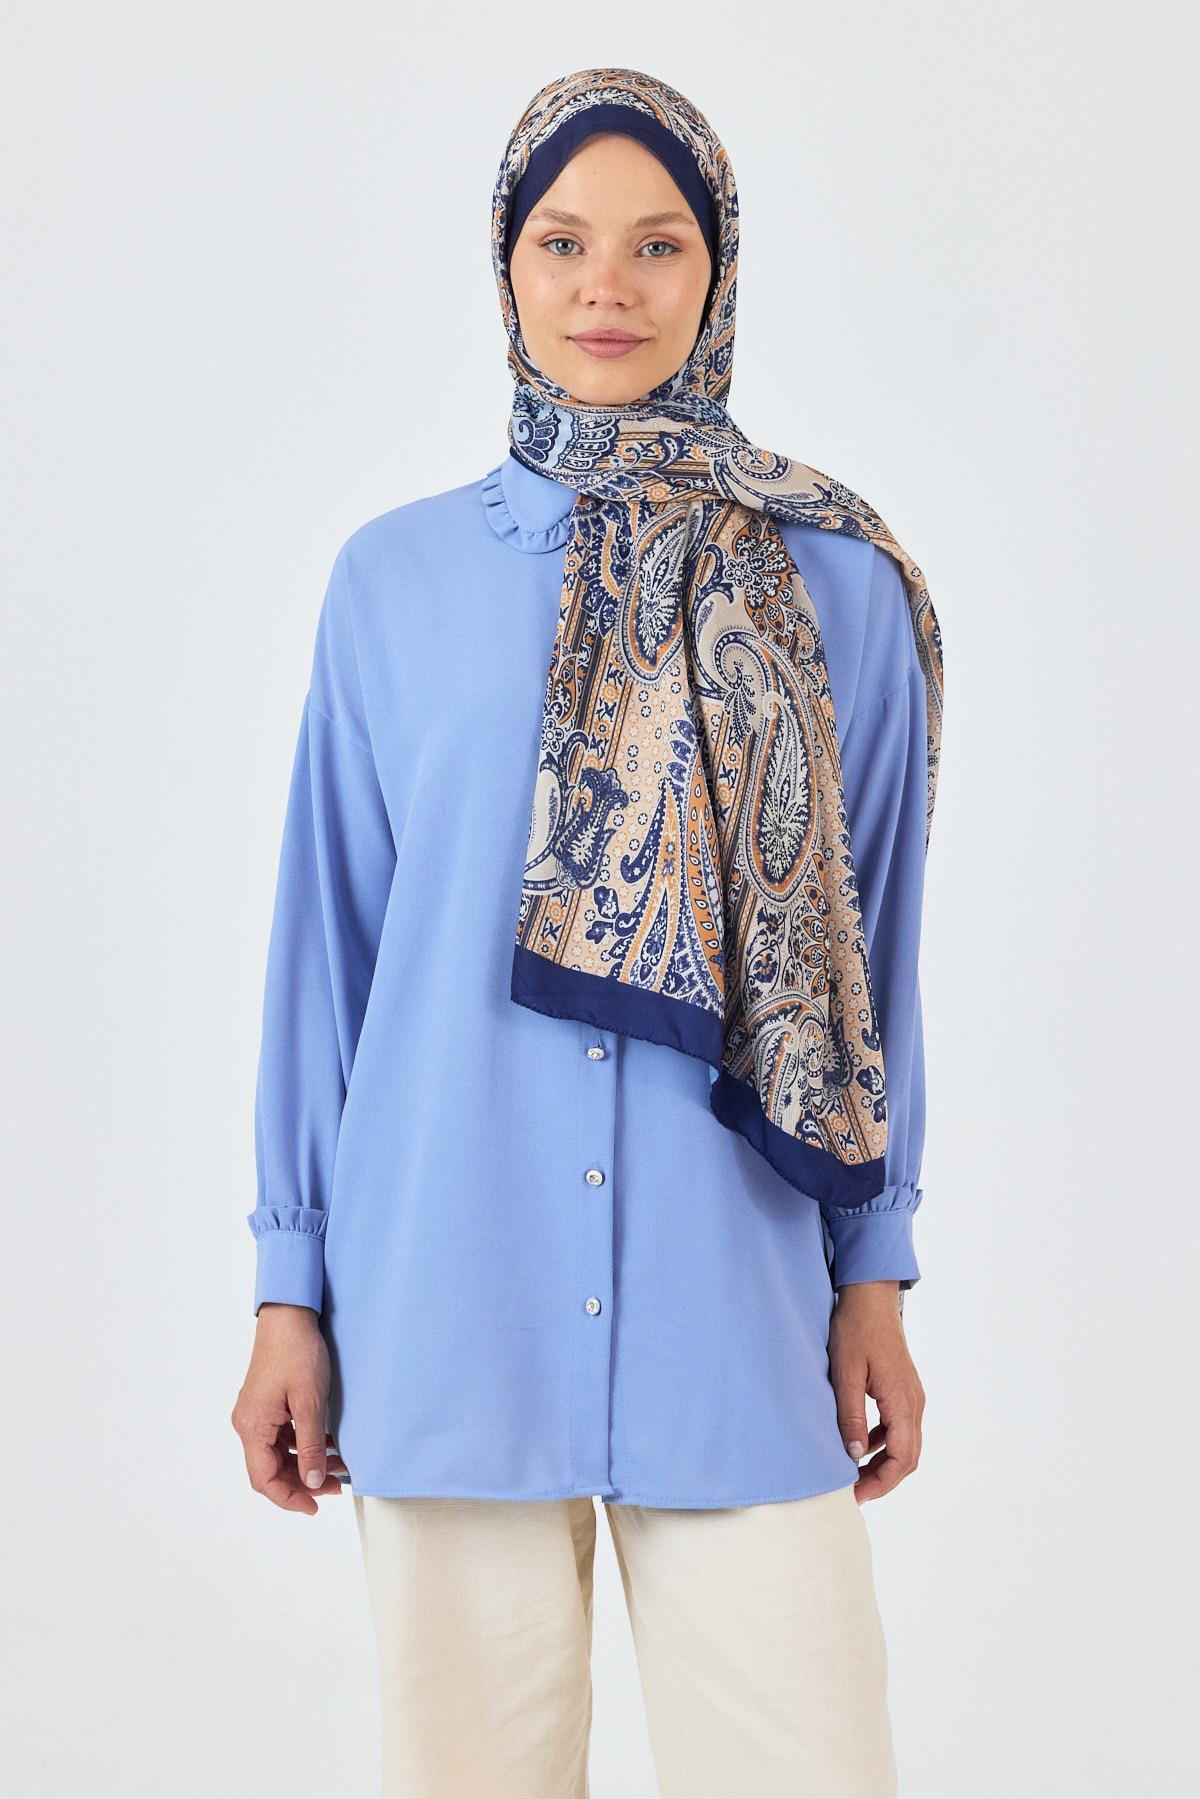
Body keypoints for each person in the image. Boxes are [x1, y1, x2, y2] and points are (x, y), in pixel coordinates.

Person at [231, 64, 944, 1799]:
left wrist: (875, 1265)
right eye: (561, 243)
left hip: (735, 1305)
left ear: (720, 270)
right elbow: (327, 952)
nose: (605, 289)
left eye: (656, 244)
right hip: (443, 1290)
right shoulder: (392, 581)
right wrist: (285, 1289)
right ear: (506, 266)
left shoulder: (835, 584)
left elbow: (870, 961)